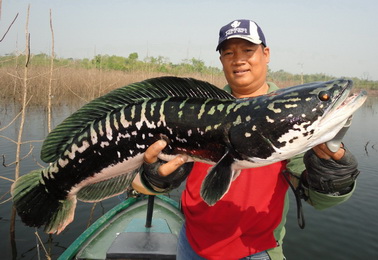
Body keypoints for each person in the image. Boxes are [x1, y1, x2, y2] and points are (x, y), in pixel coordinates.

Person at [132, 19, 360, 260]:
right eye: (228, 52)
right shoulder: (193, 112)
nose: (238, 59)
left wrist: (334, 177)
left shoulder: (291, 119)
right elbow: (140, 184)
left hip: (256, 252)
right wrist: (155, 178)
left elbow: (318, 198)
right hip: (190, 243)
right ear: (221, 60)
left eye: (248, 50)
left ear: (266, 53)